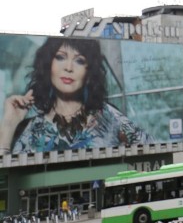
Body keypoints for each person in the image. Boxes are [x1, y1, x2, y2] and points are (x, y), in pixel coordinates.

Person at [0, 37, 154, 154]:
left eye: (79, 61)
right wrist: (8, 126)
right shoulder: (30, 129)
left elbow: (153, 152)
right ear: (48, 65)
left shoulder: (110, 118)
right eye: (60, 57)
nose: (68, 67)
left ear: (88, 73)